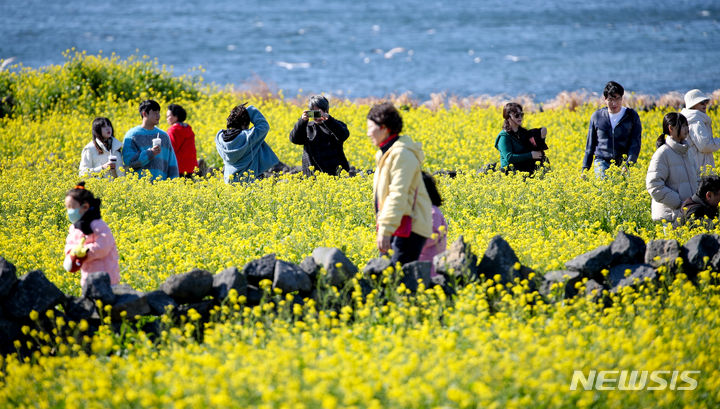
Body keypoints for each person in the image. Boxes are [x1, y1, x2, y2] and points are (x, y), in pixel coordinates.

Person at [368, 102, 432, 265]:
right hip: (396, 223)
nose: (368, 133)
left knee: (398, 279)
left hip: (409, 227)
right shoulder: (385, 154)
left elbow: (398, 193)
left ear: (384, 128)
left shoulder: (402, 154)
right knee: (389, 277)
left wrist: (386, 228)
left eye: (371, 127)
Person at [63, 182, 120, 288]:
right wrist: (72, 254)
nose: (69, 211)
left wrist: (85, 252)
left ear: (85, 207)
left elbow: (103, 247)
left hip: (108, 279)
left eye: (71, 207)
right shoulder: (74, 228)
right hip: (87, 279)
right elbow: (69, 244)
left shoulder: (98, 225)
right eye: (67, 207)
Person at [646, 113, 699, 223]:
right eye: (683, 126)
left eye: (686, 125)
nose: (686, 129)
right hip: (671, 216)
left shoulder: (687, 152)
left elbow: (696, 178)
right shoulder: (662, 154)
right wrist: (679, 202)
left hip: (689, 213)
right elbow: (654, 185)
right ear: (671, 128)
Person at [582, 81, 642, 178]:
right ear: (605, 99)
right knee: (604, 189)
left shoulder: (631, 116)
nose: (614, 103)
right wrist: (584, 170)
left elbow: (635, 143)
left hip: (623, 162)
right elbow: (590, 145)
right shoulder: (597, 116)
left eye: (617, 99)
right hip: (602, 161)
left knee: (622, 191)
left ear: (622, 98)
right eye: (610, 99)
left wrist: (629, 163)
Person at [216, 103, 279, 183]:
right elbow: (263, 125)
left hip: (229, 184)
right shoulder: (248, 137)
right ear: (244, 124)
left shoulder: (220, 138)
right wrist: (249, 110)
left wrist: (237, 113)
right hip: (249, 184)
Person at [289, 95, 351, 176]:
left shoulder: (335, 124)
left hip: (335, 173)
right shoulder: (307, 127)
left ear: (326, 111)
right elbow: (295, 139)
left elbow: (343, 135)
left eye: (319, 112)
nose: (317, 116)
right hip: (311, 175)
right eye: (314, 112)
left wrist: (328, 120)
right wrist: (302, 121)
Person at [122, 100, 179, 180]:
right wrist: (150, 153)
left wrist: (174, 183)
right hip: (140, 186)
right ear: (144, 113)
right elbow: (129, 161)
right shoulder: (132, 135)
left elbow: (172, 163)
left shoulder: (164, 136)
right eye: (155, 113)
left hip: (162, 187)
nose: (158, 116)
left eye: (158, 112)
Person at [494, 102, 548, 175]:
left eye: (521, 114)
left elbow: (535, 147)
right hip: (510, 172)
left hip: (523, 168)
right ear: (508, 117)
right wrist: (531, 155)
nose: (520, 117)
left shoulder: (523, 133)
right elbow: (509, 158)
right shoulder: (504, 136)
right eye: (516, 115)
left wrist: (542, 137)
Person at [417, 172, 448, 277]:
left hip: (429, 266)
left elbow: (431, 238)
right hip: (423, 264)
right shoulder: (425, 210)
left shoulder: (433, 213)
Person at [681, 89, 718, 173]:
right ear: (693, 105)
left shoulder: (690, 119)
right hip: (700, 167)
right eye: (701, 102)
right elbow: (705, 146)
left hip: (695, 166)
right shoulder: (696, 121)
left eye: (706, 102)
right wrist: (718, 141)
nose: (705, 104)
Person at [166, 104, 198, 177]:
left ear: (176, 116)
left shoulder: (173, 130)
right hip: (191, 167)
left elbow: (171, 150)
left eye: (168, 116)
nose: (167, 118)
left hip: (178, 167)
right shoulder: (189, 129)